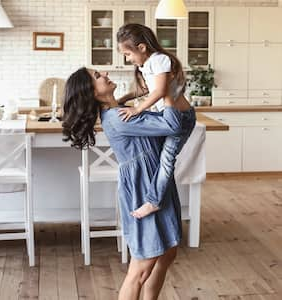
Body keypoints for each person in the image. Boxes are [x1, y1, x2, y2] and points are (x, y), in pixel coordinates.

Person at [62, 67, 196, 300]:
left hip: (157, 182)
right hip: (144, 189)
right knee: (141, 268)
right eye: (97, 76)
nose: (104, 73)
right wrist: (165, 92)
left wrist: (135, 97)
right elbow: (172, 125)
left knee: (167, 254)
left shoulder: (120, 111)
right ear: (91, 92)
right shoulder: (118, 118)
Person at [116, 23, 195, 219]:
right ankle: (158, 197)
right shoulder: (147, 64)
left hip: (181, 118)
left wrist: (137, 109)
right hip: (167, 117)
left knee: (167, 159)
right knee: (159, 159)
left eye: (128, 54)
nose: (128, 59)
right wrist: (124, 99)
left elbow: (160, 92)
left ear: (142, 48)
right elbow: (146, 90)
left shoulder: (160, 60)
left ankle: (154, 201)